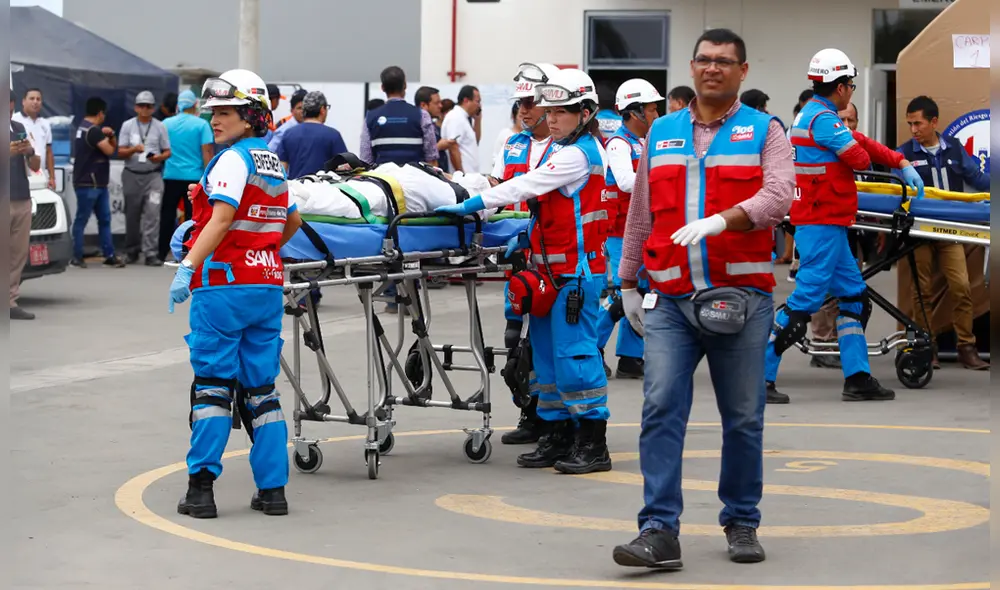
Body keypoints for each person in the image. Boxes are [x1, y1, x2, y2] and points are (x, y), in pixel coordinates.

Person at [611, 28, 795, 569]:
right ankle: (658, 531)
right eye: (704, 60)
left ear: (743, 71)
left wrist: (724, 220)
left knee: (742, 417)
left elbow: (779, 195)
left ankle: (741, 519)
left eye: (724, 61)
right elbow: (641, 212)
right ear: (692, 68)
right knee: (660, 408)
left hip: (741, 299)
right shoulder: (662, 131)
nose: (713, 68)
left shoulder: (765, 130)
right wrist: (627, 282)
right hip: (669, 298)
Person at [436, 68, 612, 474]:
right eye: (549, 111)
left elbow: (524, 187)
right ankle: (556, 435)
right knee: (547, 361)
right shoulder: (560, 149)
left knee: (575, 359)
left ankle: (592, 442)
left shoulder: (578, 154)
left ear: (585, 113)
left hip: (575, 276)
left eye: (561, 111)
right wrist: (525, 237)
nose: (552, 118)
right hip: (549, 275)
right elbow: (545, 206)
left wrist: (469, 205)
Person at [168, 68, 303, 519]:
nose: (215, 120)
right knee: (262, 391)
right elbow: (292, 220)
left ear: (250, 116)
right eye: (213, 112)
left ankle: (201, 491)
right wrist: (262, 248)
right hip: (265, 285)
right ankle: (273, 491)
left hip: (223, 288)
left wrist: (187, 266)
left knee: (212, 387)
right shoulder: (271, 162)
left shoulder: (230, 160)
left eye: (225, 112)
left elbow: (222, 219)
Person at [763, 48, 925, 404]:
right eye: (850, 85)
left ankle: (858, 378)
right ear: (840, 87)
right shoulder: (822, 121)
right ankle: (760, 377)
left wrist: (899, 161)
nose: (851, 90)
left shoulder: (817, 116)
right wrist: (861, 149)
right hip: (820, 224)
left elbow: (859, 142)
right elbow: (859, 157)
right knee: (803, 303)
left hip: (828, 223)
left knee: (854, 298)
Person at [491, 61, 560, 446]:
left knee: (547, 344)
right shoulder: (512, 144)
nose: (524, 110)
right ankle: (530, 413)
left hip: (552, 261)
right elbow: (499, 191)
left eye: (531, 103)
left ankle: (554, 420)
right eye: (520, 103)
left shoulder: (563, 147)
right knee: (514, 341)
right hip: (517, 260)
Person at [897, 95, 989, 370]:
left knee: (961, 287)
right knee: (921, 290)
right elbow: (894, 191)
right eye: (910, 124)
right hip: (919, 232)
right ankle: (928, 347)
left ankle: (966, 347)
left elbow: (977, 179)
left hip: (950, 230)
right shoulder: (903, 155)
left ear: (934, 122)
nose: (913, 130)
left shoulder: (955, 149)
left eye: (918, 123)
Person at [595, 78, 664, 380]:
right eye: (652, 109)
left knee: (642, 291)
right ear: (634, 112)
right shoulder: (619, 143)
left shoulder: (644, 142)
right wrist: (664, 179)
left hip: (642, 229)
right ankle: (592, 347)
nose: (656, 115)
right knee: (623, 293)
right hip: (620, 230)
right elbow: (624, 182)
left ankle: (630, 357)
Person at [70, 97, 126, 269]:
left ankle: (102, 255)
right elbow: (110, 150)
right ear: (100, 113)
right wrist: (111, 135)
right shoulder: (93, 131)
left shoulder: (82, 127)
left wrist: (109, 136)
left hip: (91, 182)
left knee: (100, 219)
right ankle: (79, 256)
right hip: (91, 182)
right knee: (89, 220)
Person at [118, 90, 172, 266]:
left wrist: (159, 158)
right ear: (136, 107)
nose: (145, 109)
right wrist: (134, 150)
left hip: (153, 175)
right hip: (132, 174)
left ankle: (150, 252)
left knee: (153, 214)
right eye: (141, 106)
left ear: (153, 108)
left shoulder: (160, 126)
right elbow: (120, 151)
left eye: (148, 106)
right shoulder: (127, 125)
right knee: (131, 215)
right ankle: (132, 250)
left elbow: (167, 151)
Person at [161, 89, 214, 261]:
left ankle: (161, 252)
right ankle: (192, 252)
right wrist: (210, 176)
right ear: (195, 105)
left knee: (167, 214)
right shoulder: (201, 125)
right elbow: (207, 152)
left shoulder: (166, 123)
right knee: (194, 217)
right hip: (194, 177)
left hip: (170, 175)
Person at [360, 66, 439, 167]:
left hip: (383, 175)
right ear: (405, 85)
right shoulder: (422, 115)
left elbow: (365, 160)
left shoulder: (370, 117)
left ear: (382, 87)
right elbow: (431, 159)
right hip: (414, 175)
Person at [10, 90, 42, 320]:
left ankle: (9, 300)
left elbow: (35, 165)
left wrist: (30, 151)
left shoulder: (18, 128)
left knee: (17, 253)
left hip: (21, 196)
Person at [277, 91, 348, 179]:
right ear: (322, 110)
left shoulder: (289, 134)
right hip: (324, 186)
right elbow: (344, 167)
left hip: (295, 186)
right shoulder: (333, 135)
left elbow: (281, 169)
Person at [12, 88, 55, 189]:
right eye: (31, 98)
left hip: (41, 176)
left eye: (38, 99)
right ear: (23, 101)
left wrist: (52, 177)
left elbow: (49, 152)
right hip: (19, 177)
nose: (35, 102)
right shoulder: (14, 120)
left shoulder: (45, 124)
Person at [441, 85, 482, 172]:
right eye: (477, 101)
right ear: (466, 100)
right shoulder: (456, 117)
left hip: (470, 175)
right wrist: (461, 174)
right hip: (463, 176)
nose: (479, 106)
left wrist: (477, 120)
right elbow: (453, 148)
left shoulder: (464, 118)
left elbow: (475, 142)